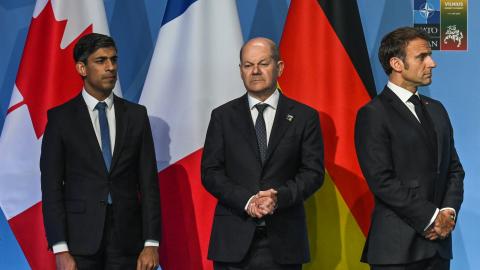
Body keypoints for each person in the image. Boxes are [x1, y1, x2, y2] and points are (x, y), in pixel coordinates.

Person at [201, 37, 324, 270]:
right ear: (240, 71)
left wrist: (278, 197)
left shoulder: (304, 116)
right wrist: (247, 201)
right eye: (248, 65)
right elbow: (211, 172)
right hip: (233, 240)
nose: (255, 71)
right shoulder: (223, 116)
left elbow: (313, 173)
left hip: (284, 240)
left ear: (279, 68)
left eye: (263, 63)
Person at [40, 33, 161, 270]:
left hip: (128, 241)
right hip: (80, 242)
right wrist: (60, 248)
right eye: (101, 61)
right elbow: (52, 187)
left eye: (114, 60)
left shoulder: (136, 116)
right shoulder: (60, 119)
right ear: (82, 68)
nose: (110, 67)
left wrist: (151, 242)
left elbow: (148, 183)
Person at [355, 27, 464, 270]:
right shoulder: (373, 114)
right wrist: (432, 218)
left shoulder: (436, 109)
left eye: (430, 55)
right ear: (396, 63)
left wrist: (447, 213)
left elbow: (454, 170)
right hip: (397, 250)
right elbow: (382, 180)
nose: (432, 63)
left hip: (439, 247)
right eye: (422, 57)